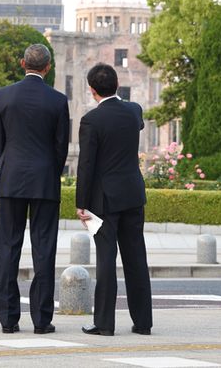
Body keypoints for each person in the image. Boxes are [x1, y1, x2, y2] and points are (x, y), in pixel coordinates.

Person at [0, 43, 69, 334]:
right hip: (45, 179)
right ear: (47, 68)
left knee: (8, 248)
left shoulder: (4, 95)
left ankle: (8, 319)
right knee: (44, 250)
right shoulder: (57, 100)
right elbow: (61, 147)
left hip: (11, 177)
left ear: (22, 63)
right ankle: (41, 319)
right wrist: (50, 169)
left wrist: (8, 165)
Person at [76, 63, 152, 336]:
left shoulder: (91, 120)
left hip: (103, 201)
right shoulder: (134, 111)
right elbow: (138, 123)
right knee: (136, 258)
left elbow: (86, 164)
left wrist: (80, 203)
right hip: (133, 194)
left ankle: (104, 323)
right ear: (118, 85)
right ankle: (143, 322)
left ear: (92, 90)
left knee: (106, 259)